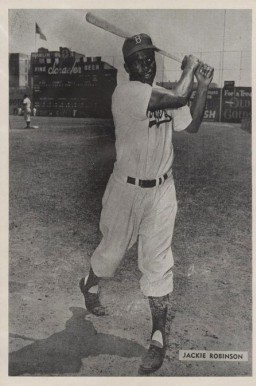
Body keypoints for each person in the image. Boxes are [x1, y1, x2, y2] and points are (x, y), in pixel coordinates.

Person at [79, 33, 214, 374]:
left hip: (161, 191)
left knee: (157, 264)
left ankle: (157, 336)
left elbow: (193, 125)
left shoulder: (167, 95)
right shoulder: (126, 93)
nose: (145, 65)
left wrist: (203, 86)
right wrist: (190, 70)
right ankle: (90, 282)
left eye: (149, 58)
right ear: (127, 68)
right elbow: (179, 94)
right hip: (125, 190)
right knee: (110, 255)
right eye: (138, 60)